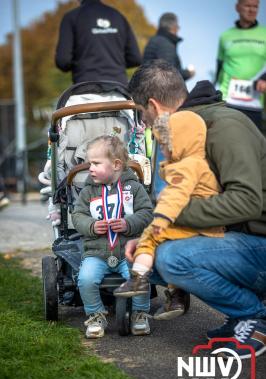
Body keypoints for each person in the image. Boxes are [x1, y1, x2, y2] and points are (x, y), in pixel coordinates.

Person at [124, 60, 266, 359]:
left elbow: (248, 201)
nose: (145, 126)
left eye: (142, 116)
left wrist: (170, 220)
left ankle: (255, 317)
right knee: (145, 258)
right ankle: (241, 316)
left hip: (260, 243)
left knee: (172, 259)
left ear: (154, 106)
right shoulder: (190, 133)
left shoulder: (223, 126)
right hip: (244, 239)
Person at [114, 111, 224, 321]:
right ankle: (176, 294)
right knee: (163, 245)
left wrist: (162, 218)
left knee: (149, 238)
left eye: (164, 145)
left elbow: (176, 195)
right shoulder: (201, 163)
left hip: (192, 225)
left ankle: (138, 279)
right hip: (206, 224)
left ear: (179, 143)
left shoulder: (186, 166)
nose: (162, 151)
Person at [72, 135, 153, 339]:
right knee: (86, 279)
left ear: (116, 165)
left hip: (129, 250)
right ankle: (96, 315)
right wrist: (91, 225)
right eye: (90, 163)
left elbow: (146, 212)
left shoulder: (133, 188)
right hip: (97, 252)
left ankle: (140, 313)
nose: (90, 168)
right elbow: (77, 215)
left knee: (139, 275)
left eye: (96, 163)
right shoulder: (88, 191)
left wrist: (128, 223)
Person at [55, 0, 142, 86]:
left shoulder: (71, 17)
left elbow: (63, 61)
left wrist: (81, 65)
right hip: (118, 89)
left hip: (84, 90)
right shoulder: (118, 16)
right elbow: (135, 58)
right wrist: (114, 64)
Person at [214, 0, 266, 131]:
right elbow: (219, 67)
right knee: (227, 143)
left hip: (254, 101)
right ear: (237, 7)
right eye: (248, 5)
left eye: (256, 7)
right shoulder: (225, 36)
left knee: (253, 147)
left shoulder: (264, 34)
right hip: (228, 99)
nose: (252, 10)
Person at [143, 12, 195, 81]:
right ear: (173, 27)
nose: (178, 29)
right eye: (177, 26)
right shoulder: (165, 44)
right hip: (157, 90)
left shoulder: (156, 40)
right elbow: (168, 74)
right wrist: (188, 73)